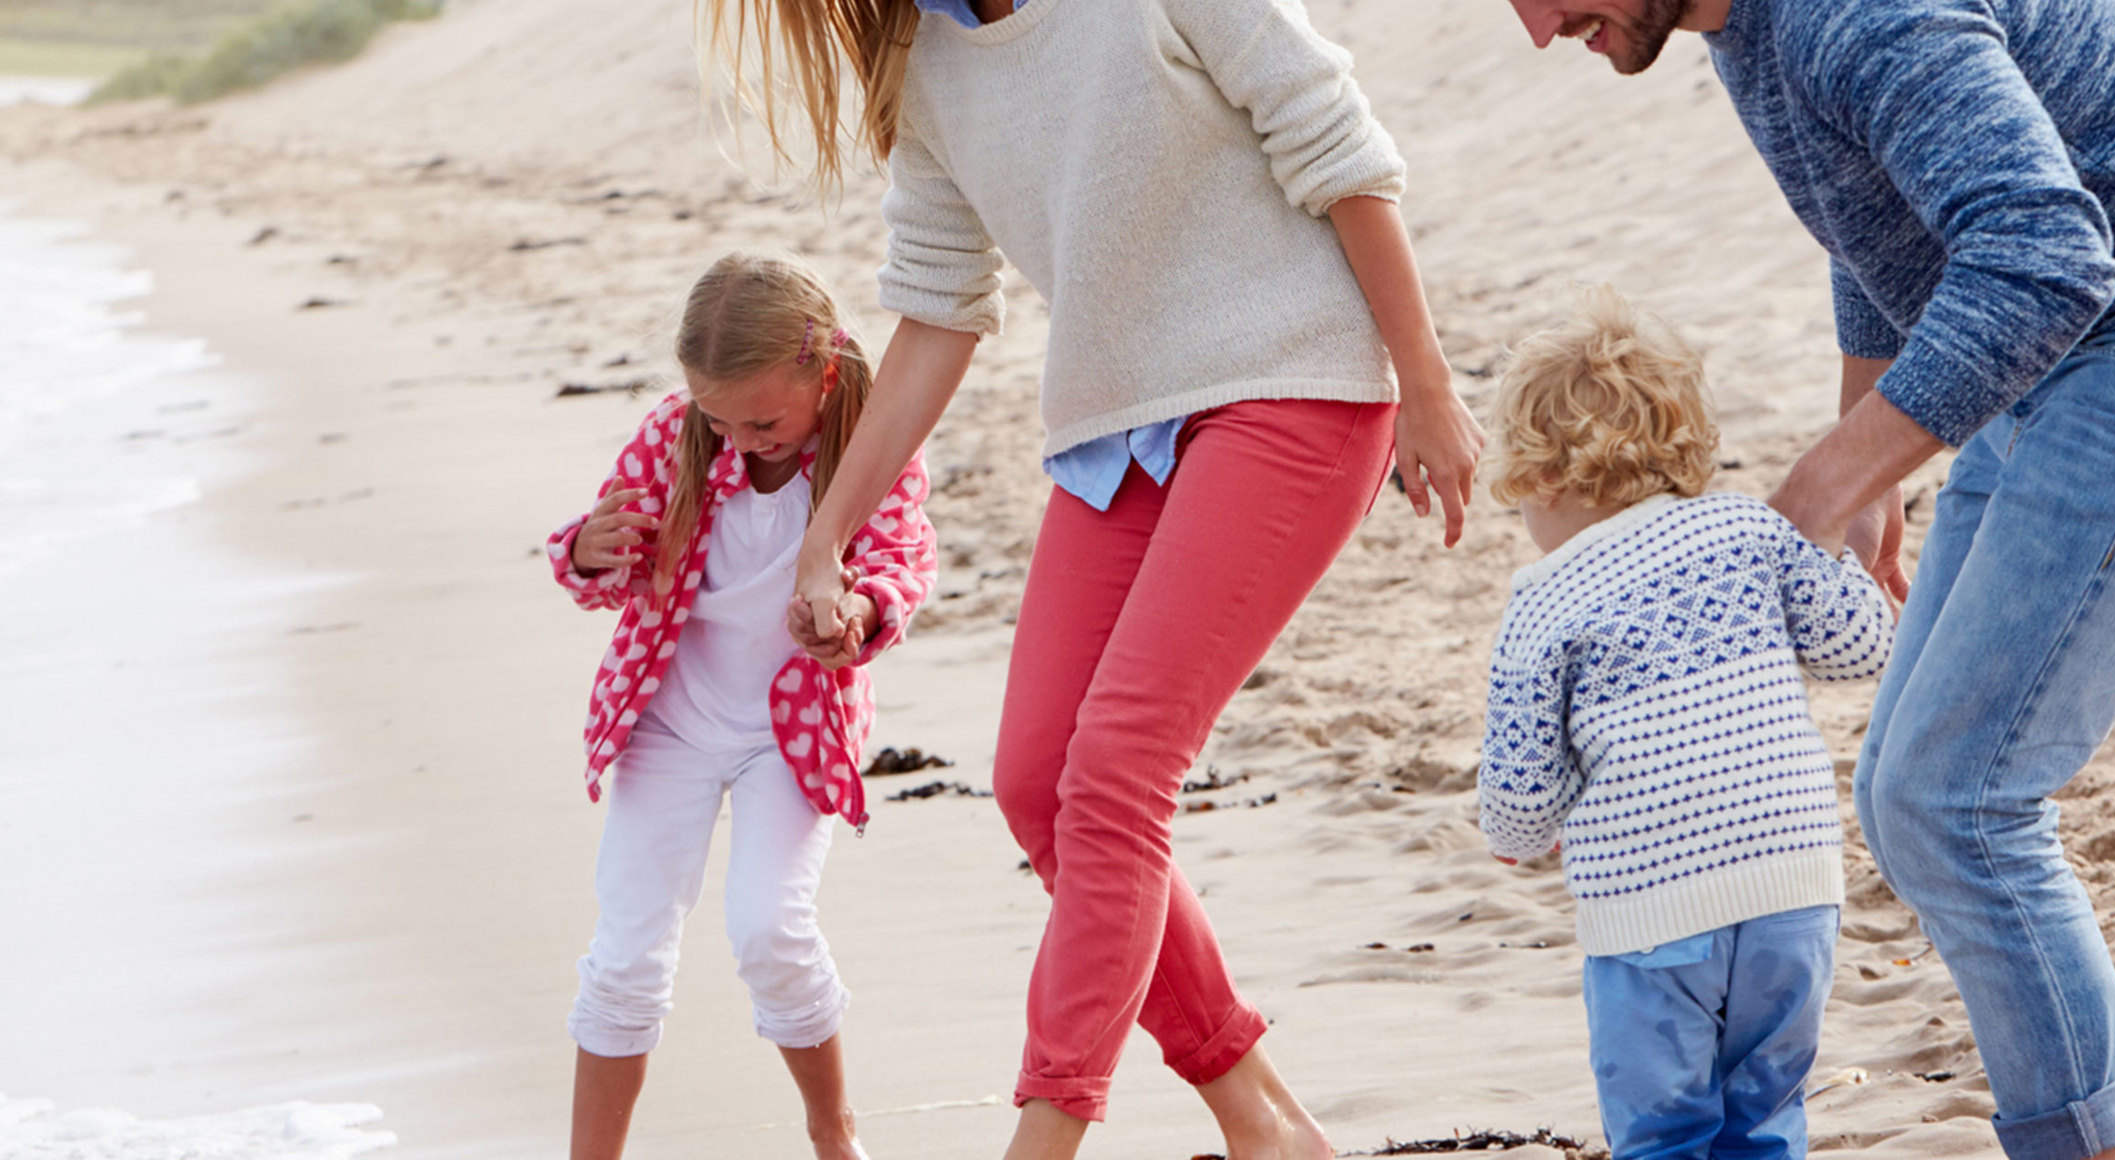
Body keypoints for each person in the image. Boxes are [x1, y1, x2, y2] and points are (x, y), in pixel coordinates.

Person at [1502, 1, 2115, 1157]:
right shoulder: (1744, 28)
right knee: (1905, 792)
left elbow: (2045, 257)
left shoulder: (1848, 13)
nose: (1539, 30)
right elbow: (1875, 232)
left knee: (1953, 799)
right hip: (2072, 351)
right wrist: (1869, 458)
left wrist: (1811, 494)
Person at [696, 0, 1485, 1156]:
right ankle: (1267, 1127)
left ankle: (1042, 1140)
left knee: (1115, 771)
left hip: (1292, 379)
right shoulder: (924, 61)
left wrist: (1426, 379)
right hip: (1120, 429)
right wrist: (828, 533)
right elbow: (934, 307)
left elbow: (1338, 144)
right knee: (1034, 779)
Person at [1475, 286, 1891, 1160]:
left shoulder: (1544, 602)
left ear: (1541, 476)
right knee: (1764, 1118)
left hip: (1650, 911)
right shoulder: (1748, 528)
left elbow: (1517, 808)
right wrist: (1853, 544)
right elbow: (1864, 647)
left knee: (1665, 1133)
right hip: (1793, 890)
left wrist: (1537, 819)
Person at [543, 252, 937, 1160]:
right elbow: (601, 561)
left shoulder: (867, 451)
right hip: (668, 719)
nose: (740, 438)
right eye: (719, 417)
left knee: (771, 928)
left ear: (822, 372)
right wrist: (592, 551)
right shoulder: (677, 437)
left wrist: (859, 614)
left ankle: (832, 1131)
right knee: (626, 949)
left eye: (762, 420)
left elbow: (898, 567)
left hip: (789, 735)